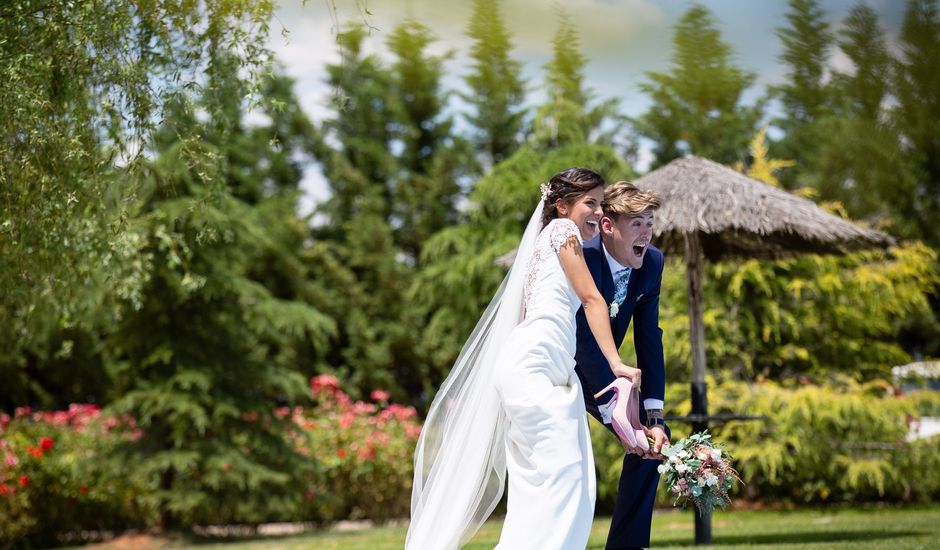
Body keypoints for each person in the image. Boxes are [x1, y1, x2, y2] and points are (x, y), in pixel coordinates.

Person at [406, 168, 648, 550]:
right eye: (590, 203)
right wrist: (616, 364)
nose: (597, 212)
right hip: (533, 368)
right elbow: (592, 300)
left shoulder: (541, 247)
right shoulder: (561, 232)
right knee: (566, 474)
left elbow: (526, 313)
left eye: (601, 203)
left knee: (553, 481)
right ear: (561, 205)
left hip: (543, 368)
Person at [574, 181, 668, 550]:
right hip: (560, 369)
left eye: (650, 222)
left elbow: (649, 337)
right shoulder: (580, 256)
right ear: (609, 226)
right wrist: (616, 408)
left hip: (608, 372)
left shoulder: (653, 263)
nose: (646, 232)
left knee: (652, 444)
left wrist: (653, 416)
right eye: (637, 224)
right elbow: (581, 338)